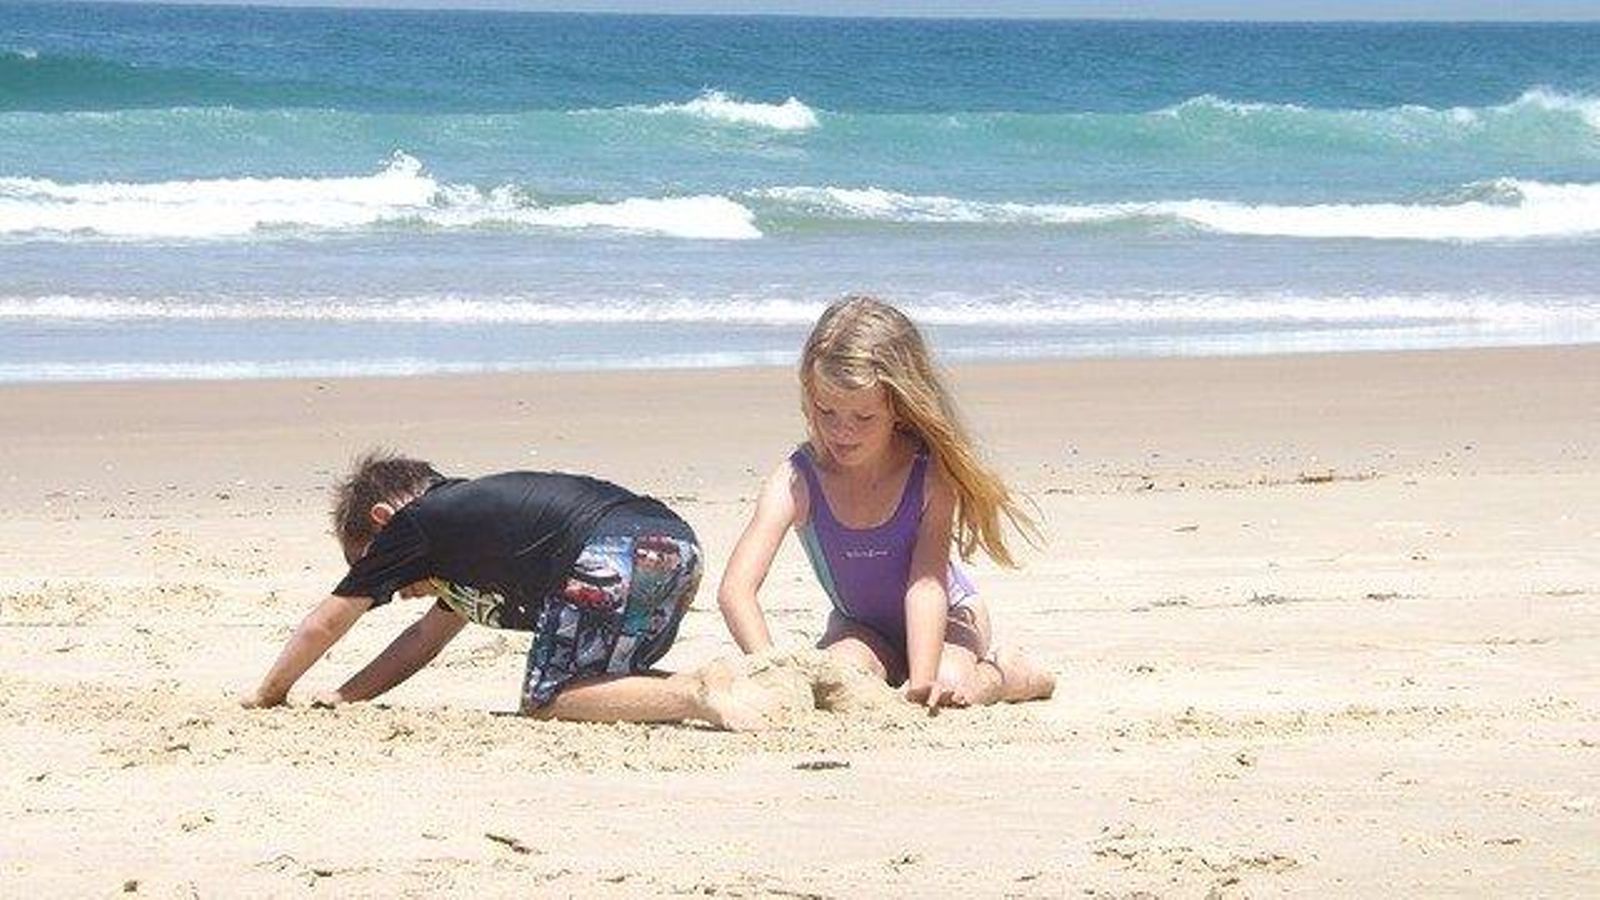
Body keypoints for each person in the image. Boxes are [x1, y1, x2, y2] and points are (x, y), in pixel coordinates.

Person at [242, 449, 779, 730]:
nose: (394, 588)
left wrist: (270, 693)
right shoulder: (473, 539)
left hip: (606, 552)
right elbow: (422, 640)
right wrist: (345, 696)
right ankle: (720, 688)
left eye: (379, 568)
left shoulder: (418, 523)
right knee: (599, 684)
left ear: (385, 520)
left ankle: (693, 694)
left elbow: (327, 620)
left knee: (548, 700)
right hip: (675, 548)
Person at [718, 296, 1057, 709]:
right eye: (827, 411)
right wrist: (770, 670)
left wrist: (924, 677)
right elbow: (736, 589)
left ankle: (1009, 675)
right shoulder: (797, 481)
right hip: (860, 627)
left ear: (899, 407)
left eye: (863, 418)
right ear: (810, 395)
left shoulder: (929, 476)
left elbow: (926, 584)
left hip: (948, 617)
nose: (842, 431)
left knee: (949, 689)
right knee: (837, 686)